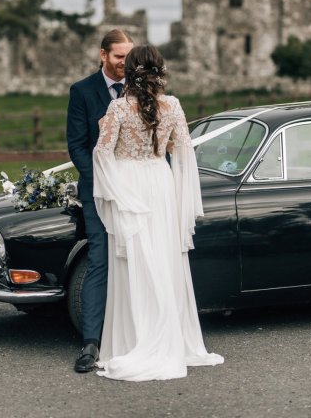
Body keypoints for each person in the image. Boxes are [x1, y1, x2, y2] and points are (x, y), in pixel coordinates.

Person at [92, 44, 224, 381]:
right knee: (163, 262)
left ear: (131, 71)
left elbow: (102, 154)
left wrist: (116, 193)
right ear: (160, 71)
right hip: (161, 184)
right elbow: (182, 152)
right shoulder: (174, 105)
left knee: (133, 262)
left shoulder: (119, 108)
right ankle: (171, 340)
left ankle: (133, 342)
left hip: (130, 184)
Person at [66, 29, 134, 373]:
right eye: (119, 56)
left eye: (129, 56)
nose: (125, 63)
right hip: (97, 194)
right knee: (100, 261)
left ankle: (139, 337)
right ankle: (91, 342)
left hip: (138, 193)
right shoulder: (82, 91)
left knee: (139, 259)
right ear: (103, 55)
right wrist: (102, 182)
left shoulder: (141, 88)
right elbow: (77, 145)